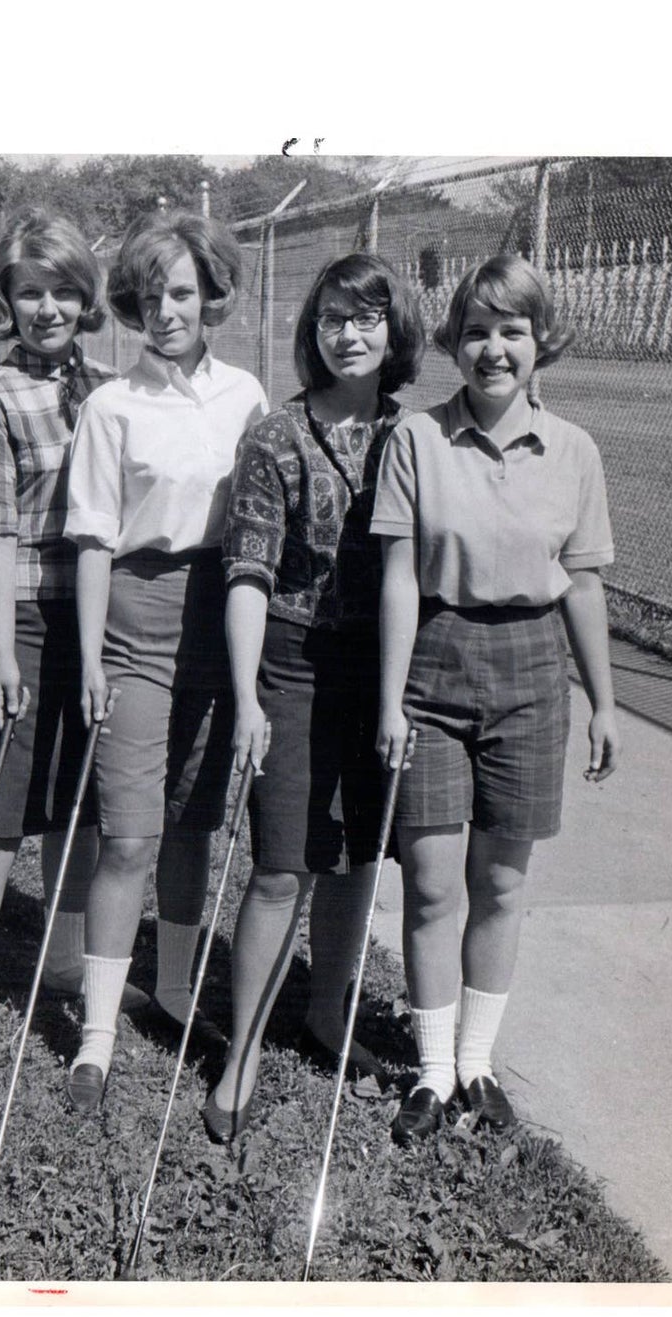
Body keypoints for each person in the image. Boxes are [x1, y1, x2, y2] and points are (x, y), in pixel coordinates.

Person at [371, 254, 619, 1145]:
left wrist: (602, 701)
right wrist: (391, 698)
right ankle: (432, 1072)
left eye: (510, 330)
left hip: (529, 671)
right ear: (452, 343)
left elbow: (582, 587)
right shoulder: (416, 441)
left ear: (538, 340)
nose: (492, 350)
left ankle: (476, 1062)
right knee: (435, 885)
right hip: (433, 665)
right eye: (474, 331)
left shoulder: (574, 451)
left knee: (502, 883)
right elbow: (397, 578)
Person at [208, 253, 424, 1142]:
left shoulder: (411, 435)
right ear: (313, 330)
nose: (349, 334)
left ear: (394, 330)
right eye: (333, 318)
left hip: (379, 665)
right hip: (292, 660)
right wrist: (249, 698)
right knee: (280, 865)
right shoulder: (272, 436)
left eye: (368, 317)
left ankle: (327, 1016)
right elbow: (248, 574)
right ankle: (242, 1051)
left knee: (355, 861)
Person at [0, 207, 143, 1076]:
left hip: (97, 623)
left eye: (62, 290)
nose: (47, 307)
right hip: (15, 616)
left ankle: (62, 961)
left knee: (79, 806)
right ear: (5, 302)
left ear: (86, 297)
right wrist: (3, 655)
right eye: (28, 292)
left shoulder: (111, 389)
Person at [62, 211, 268, 1111]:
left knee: (190, 822)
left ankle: (177, 991)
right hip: (134, 623)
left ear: (210, 294)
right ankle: (97, 1035)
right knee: (131, 831)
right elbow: (95, 540)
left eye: (181, 292)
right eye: (149, 297)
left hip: (221, 619)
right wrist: (91, 658)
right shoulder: (111, 404)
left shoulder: (246, 398)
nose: (166, 311)